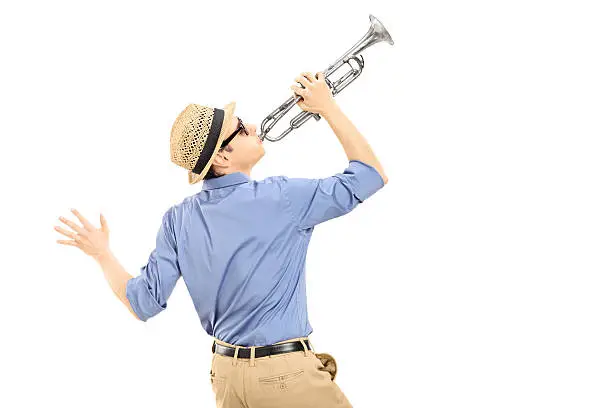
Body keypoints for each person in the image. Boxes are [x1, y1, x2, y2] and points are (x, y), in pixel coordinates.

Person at [54, 71, 388, 408]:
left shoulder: (177, 219)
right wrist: (328, 107)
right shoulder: (282, 197)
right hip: (286, 377)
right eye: (243, 128)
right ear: (222, 158)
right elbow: (370, 175)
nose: (256, 128)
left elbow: (142, 303)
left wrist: (101, 253)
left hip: (226, 378)